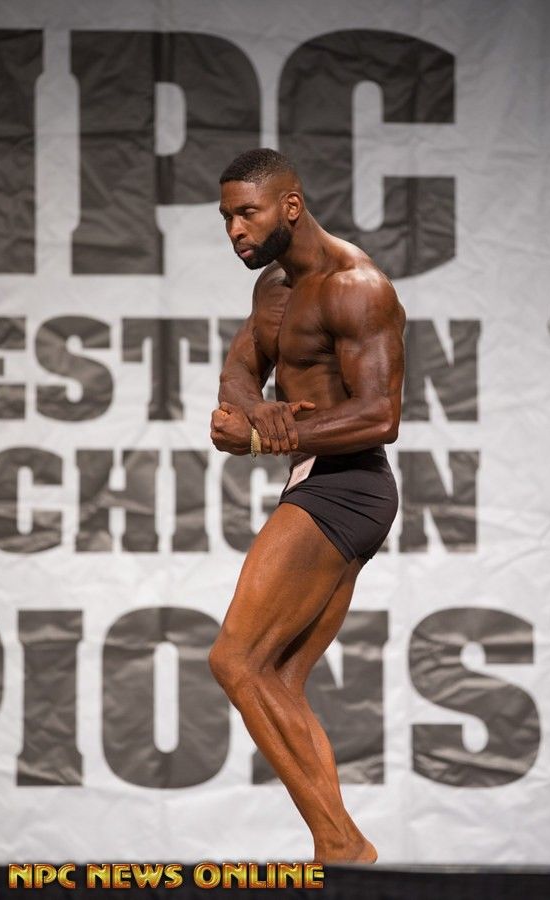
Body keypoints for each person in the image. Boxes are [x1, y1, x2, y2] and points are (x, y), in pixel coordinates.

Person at [209, 148, 405, 864]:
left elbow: (381, 415)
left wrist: (262, 437)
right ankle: (339, 854)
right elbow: (239, 371)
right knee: (279, 678)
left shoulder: (356, 287)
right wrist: (252, 408)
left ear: (289, 206)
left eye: (247, 213)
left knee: (235, 659)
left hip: (348, 485)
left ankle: (342, 843)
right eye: (226, 217)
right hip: (317, 480)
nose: (235, 230)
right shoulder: (273, 291)